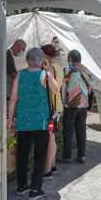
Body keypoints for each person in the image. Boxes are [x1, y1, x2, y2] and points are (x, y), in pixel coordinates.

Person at [8, 48, 57, 199]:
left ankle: (22, 186)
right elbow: (56, 89)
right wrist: (48, 72)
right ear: (41, 60)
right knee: (39, 156)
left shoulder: (20, 75)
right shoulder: (44, 75)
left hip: (23, 121)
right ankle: (35, 189)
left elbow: (14, 99)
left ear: (28, 60)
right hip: (41, 122)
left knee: (22, 154)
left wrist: (10, 119)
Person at [61, 50, 91, 163]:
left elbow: (63, 86)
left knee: (68, 131)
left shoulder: (67, 70)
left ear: (70, 59)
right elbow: (92, 80)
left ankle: (67, 156)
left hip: (71, 104)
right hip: (83, 104)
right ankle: (81, 155)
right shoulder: (85, 70)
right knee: (81, 130)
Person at [40, 44, 63, 179]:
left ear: (46, 55)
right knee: (52, 137)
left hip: (52, 107)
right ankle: (52, 164)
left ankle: (47, 169)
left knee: (50, 138)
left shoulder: (51, 69)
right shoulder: (58, 66)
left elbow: (49, 88)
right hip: (57, 106)